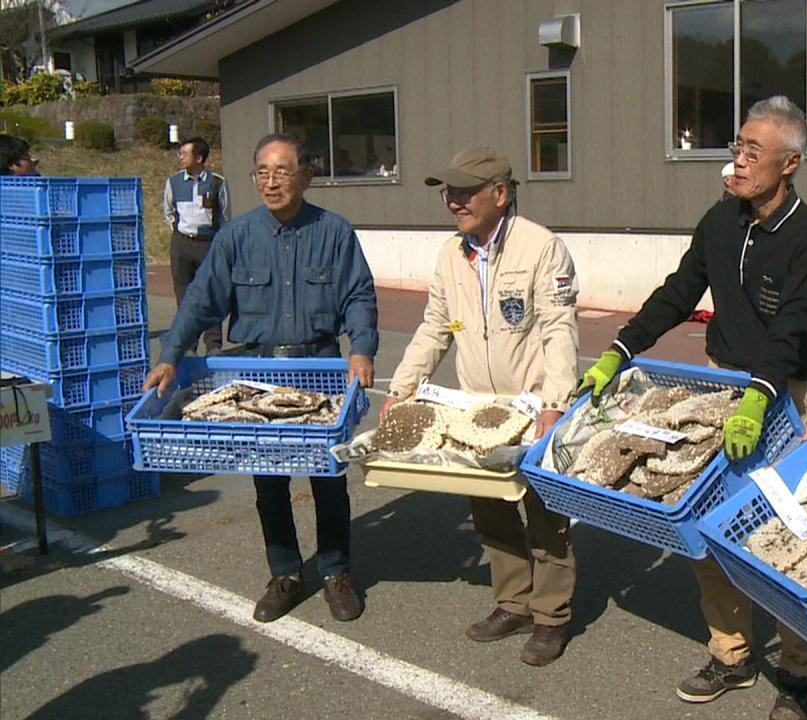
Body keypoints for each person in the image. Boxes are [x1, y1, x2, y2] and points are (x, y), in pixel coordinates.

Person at [578, 95, 807, 720]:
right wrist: (619, 348)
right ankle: (732, 653)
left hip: (783, 396)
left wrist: (761, 395)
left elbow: (794, 326)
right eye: (737, 148)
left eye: (754, 151)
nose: (738, 161)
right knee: (709, 527)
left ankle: (800, 674)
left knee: (785, 534)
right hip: (721, 390)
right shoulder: (720, 220)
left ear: (790, 163)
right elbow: (677, 293)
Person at [143, 132, 378, 624]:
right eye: (262, 173)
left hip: (319, 368)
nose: (271, 182)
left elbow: (358, 295)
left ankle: (337, 572)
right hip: (257, 371)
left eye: (282, 172)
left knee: (328, 477)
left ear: (306, 176)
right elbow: (201, 300)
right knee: (269, 480)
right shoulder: (236, 236)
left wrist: (361, 349)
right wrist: (170, 354)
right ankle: (286, 574)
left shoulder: (334, 231)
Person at [382, 146, 580, 667]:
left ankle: (551, 615)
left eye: (465, 192)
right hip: (479, 407)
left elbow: (559, 328)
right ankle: (512, 602)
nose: (454, 202)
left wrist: (555, 403)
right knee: (489, 504)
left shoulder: (542, 248)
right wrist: (403, 388)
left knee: (544, 510)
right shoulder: (452, 254)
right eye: (449, 192)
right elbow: (436, 326)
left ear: (500, 193)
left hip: (535, 403)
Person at [163, 136, 231, 355]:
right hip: (182, 242)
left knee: (211, 292)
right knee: (183, 295)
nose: (180, 157)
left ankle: (213, 344)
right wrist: (180, 230)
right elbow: (168, 211)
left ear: (199, 157)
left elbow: (225, 215)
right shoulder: (173, 182)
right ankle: (189, 344)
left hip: (208, 243)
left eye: (185, 153)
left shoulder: (218, 182)